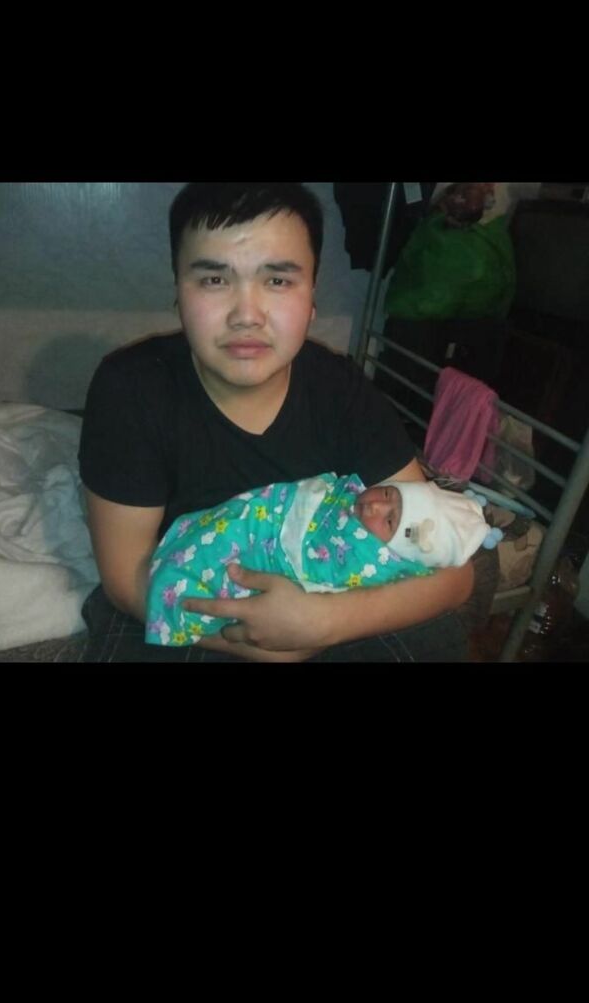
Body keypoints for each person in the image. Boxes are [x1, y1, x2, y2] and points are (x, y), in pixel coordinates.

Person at [78, 182, 475, 661]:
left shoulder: (341, 390)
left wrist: (319, 623)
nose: (247, 315)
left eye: (278, 281)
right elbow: (127, 579)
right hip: (185, 608)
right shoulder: (131, 388)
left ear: (312, 299)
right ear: (179, 294)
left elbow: (455, 575)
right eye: (214, 280)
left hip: (326, 605)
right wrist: (264, 645)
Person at [145, 475, 500, 648]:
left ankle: (172, 601)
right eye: (387, 493)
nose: (375, 505)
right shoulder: (356, 499)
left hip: (268, 566)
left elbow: (320, 570)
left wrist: (321, 621)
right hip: (258, 520)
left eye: (390, 520)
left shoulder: (367, 559)